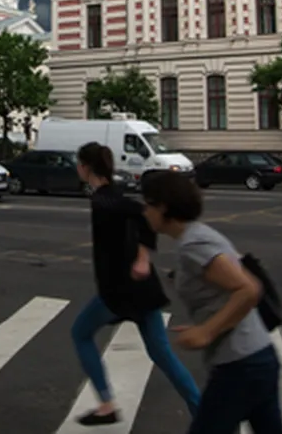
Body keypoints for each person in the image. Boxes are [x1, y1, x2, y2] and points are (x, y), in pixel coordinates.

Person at [69, 142, 200, 426]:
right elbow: (143, 219)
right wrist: (143, 258)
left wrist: (141, 258)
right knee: (161, 354)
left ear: (86, 167)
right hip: (141, 290)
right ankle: (202, 412)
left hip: (118, 291)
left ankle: (106, 405)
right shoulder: (110, 194)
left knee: (80, 333)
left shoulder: (104, 200)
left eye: (78, 163)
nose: (77, 168)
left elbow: (144, 215)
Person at [142, 171, 282, 433]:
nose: (144, 212)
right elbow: (224, 292)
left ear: (162, 207)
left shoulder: (194, 244)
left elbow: (248, 289)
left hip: (240, 366)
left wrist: (206, 332)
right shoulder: (196, 236)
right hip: (257, 358)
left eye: (147, 205)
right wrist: (205, 322)